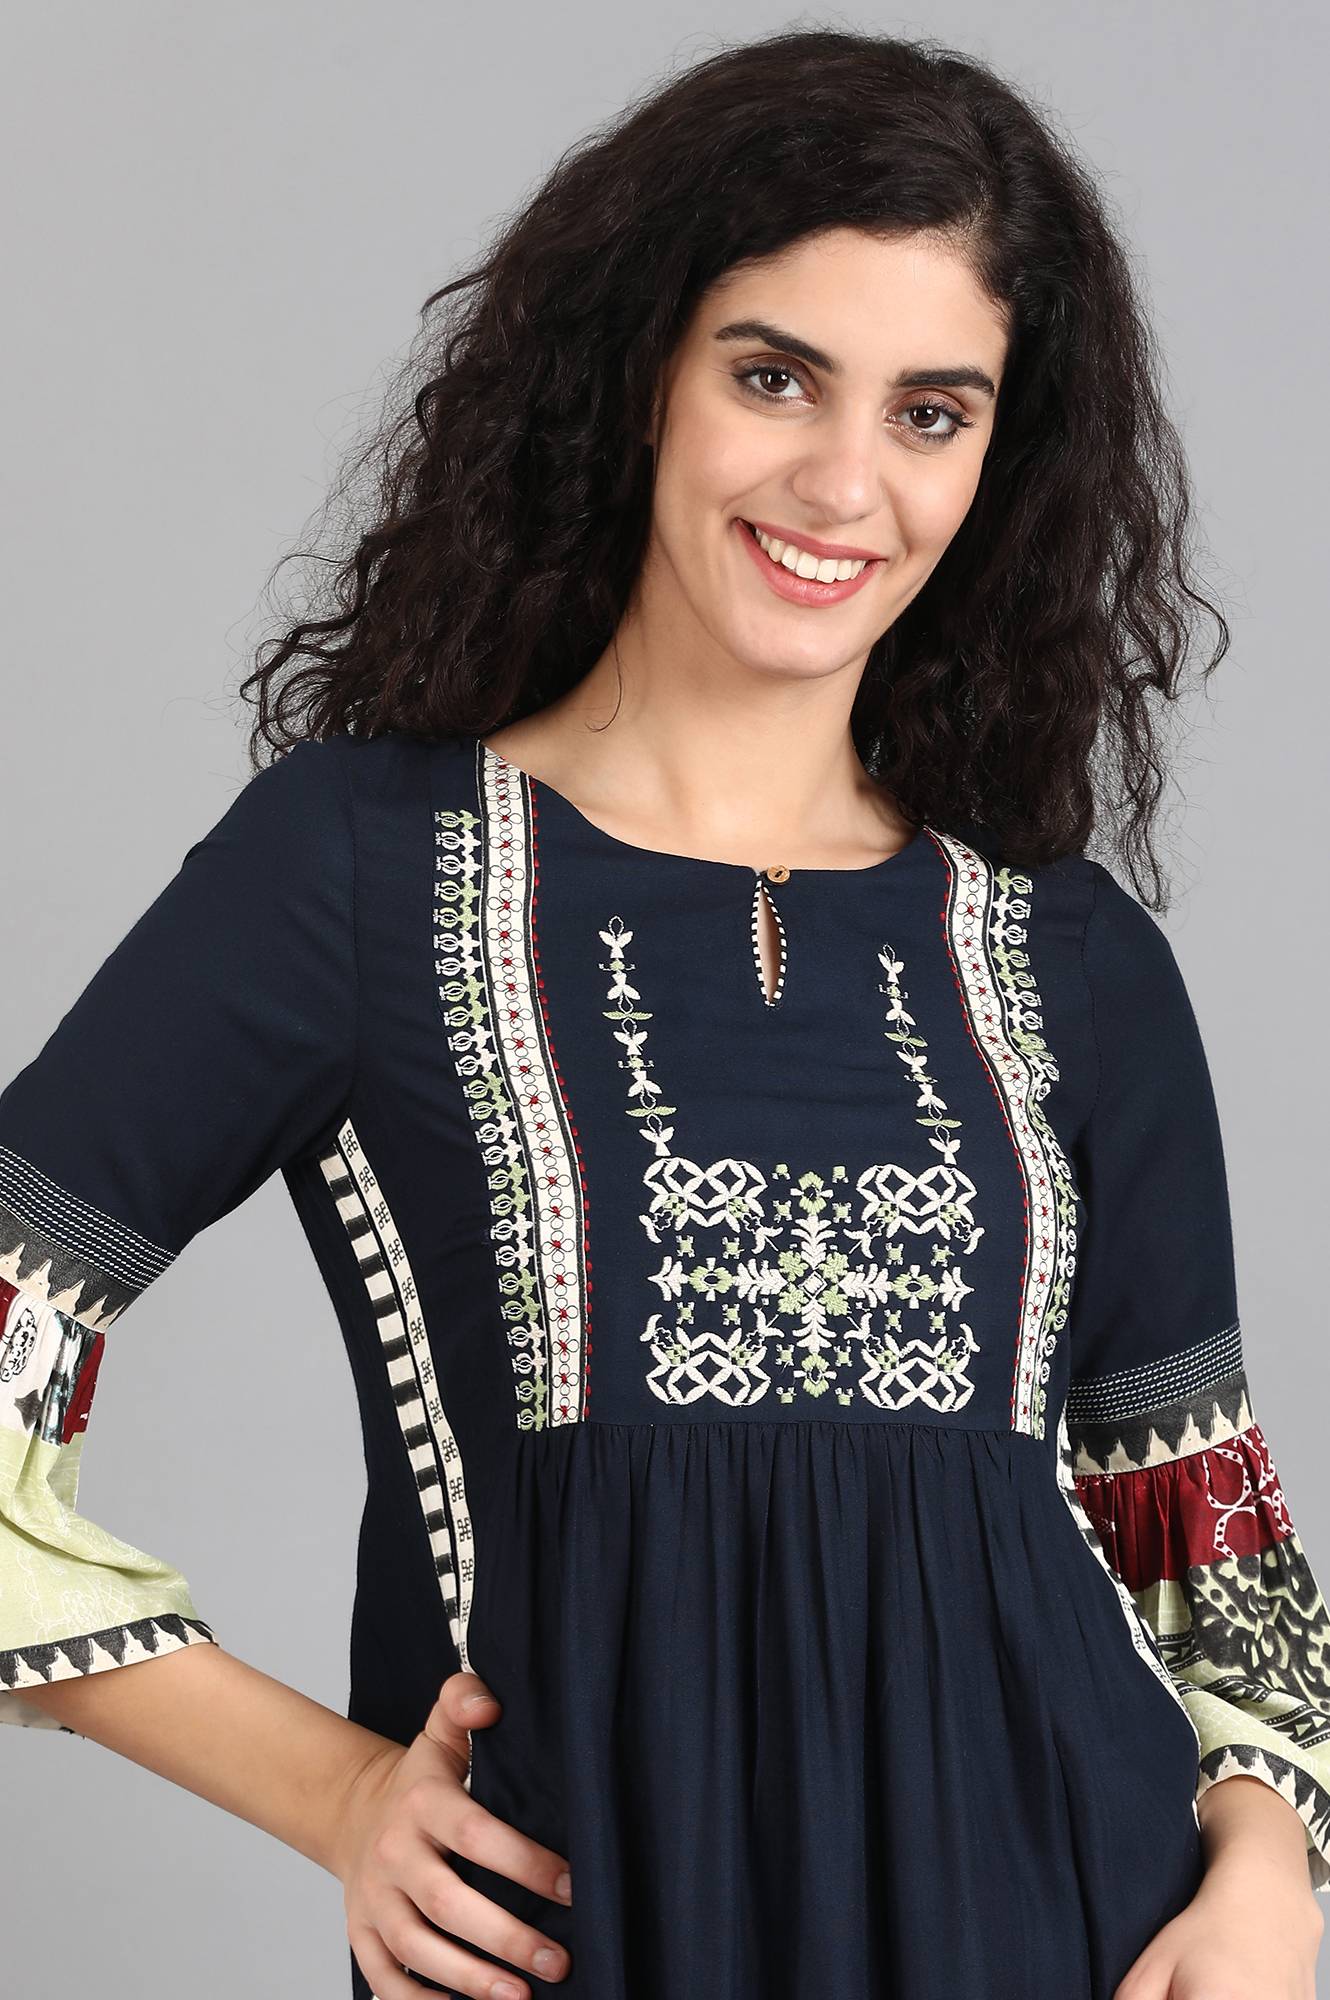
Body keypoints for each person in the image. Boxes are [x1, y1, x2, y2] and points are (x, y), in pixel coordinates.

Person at [2, 26, 1327, 2000]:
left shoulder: (1065, 957)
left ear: (996, 462)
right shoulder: (360, 869)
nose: (842, 482)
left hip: (1072, 1928)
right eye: (773, 375)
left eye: (931, 413)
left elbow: (1214, 1561)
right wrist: (338, 1795)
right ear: (642, 374)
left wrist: (1266, 1874)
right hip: (590, 1940)